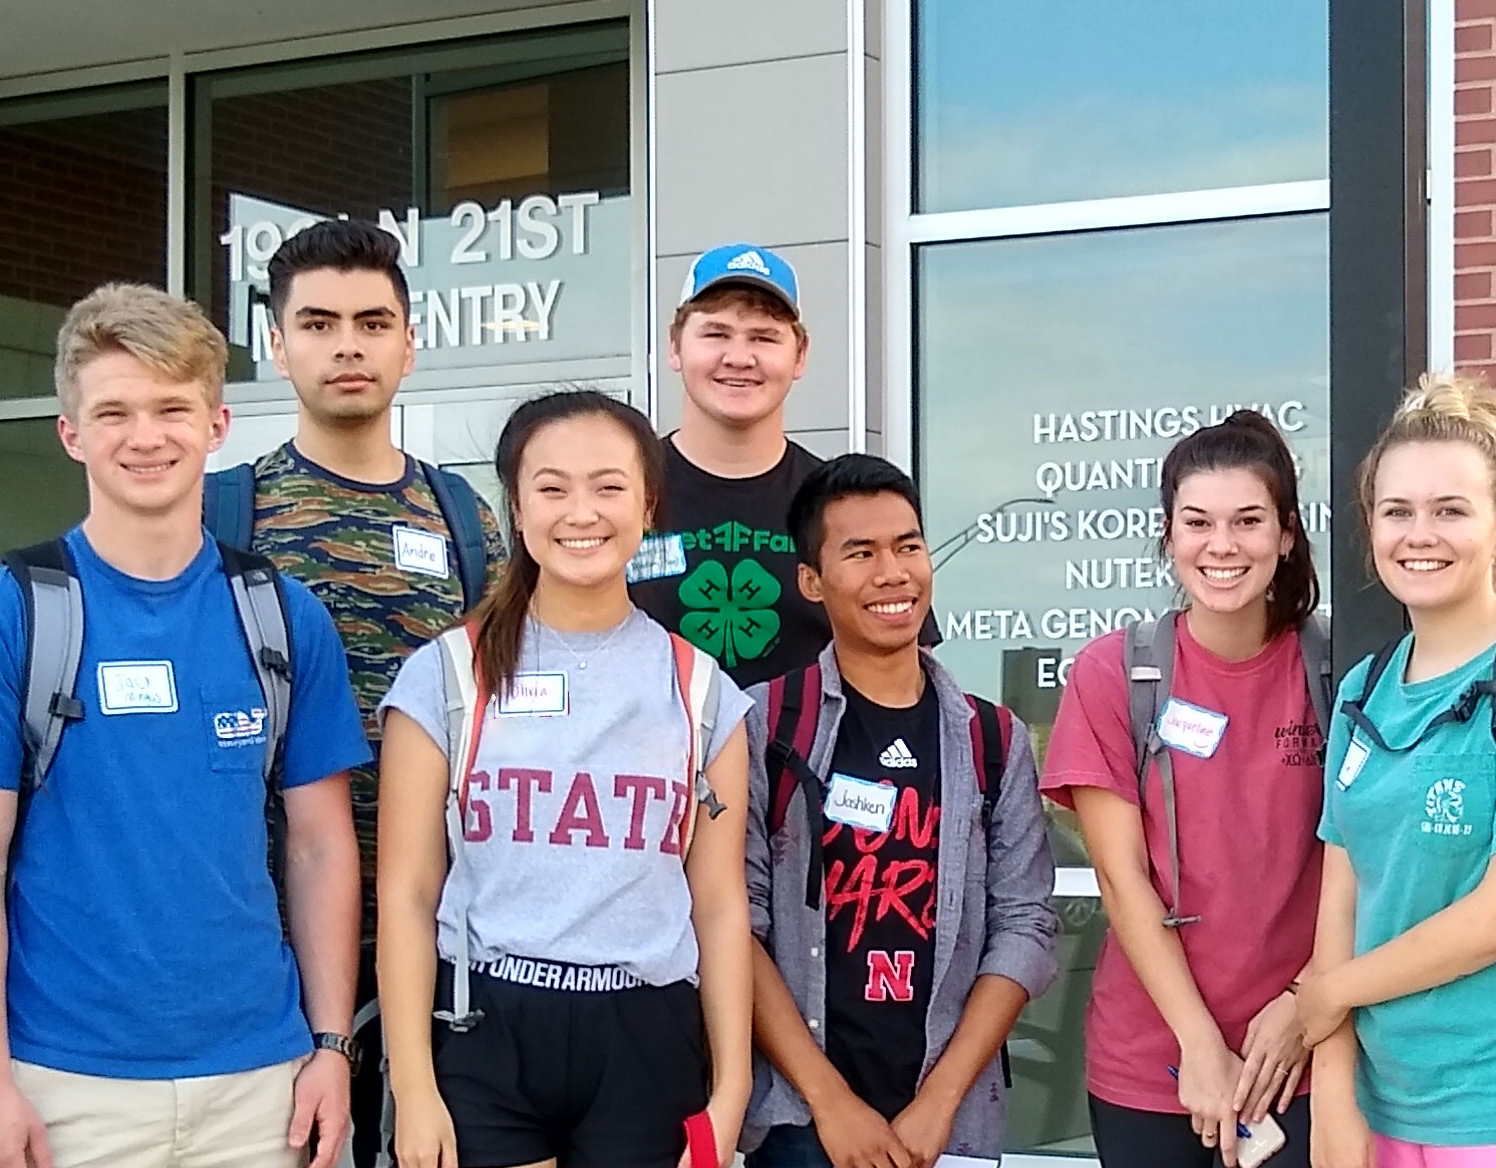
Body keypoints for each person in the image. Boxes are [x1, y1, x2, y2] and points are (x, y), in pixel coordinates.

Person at [0, 285, 370, 1168]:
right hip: (65, 1084)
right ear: (71, 433)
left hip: (261, 1083)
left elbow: (319, 848)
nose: (145, 436)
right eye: (113, 412)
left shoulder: (283, 617)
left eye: (171, 409)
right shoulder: (6, 614)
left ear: (217, 425)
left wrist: (331, 1047)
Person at [374, 390, 757, 1168]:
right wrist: (413, 1088)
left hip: (645, 1034)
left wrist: (732, 1092)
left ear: (648, 506)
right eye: (552, 488)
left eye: (608, 486)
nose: (581, 511)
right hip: (485, 1029)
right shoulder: (446, 675)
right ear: (515, 509)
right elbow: (408, 895)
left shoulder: (702, 690)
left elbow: (719, 907)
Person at [1254, 373, 1496, 1168]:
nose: (1420, 533)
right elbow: (1345, 896)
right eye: (1398, 512)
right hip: (1386, 1097)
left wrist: (1329, 995)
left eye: (1451, 510)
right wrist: (1337, 1087)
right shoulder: (1364, 687)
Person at [208, 217, 508, 1168]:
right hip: (265, 928)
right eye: (320, 322)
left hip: (439, 926)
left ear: (410, 343)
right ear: (278, 344)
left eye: (374, 322)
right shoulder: (223, 511)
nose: (348, 345)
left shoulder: (465, 521)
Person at [739, 454, 1061, 1168]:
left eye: (908, 546)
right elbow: (738, 925)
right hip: (802, 1124)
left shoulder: (990, 737)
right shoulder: (765, 726)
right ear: (813, 581)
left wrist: (939, 1104)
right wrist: (830, 1102)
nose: (893, 573)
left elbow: (1025, 924)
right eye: (861, 553)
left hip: (950, 1124)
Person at [1039, 411, 1337, 1168]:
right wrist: (1200, 1045)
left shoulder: (1339, 672)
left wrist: (1306, 1000)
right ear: (1168, 536)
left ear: (1287, 534)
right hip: (1153, 1057)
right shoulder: (1115, 674)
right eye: (1197, 522)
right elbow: (1120, 876)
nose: (1222, 546)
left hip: (1300, 1050)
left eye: (1248, 521)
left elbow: (1366, 859)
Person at [629, 243, 837, 688]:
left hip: (802, 757)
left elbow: (902, 664)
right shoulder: (617, 494)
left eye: (764, 337)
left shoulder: (841, 502)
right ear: (674, 347)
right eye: (716, 333)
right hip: (650, 758)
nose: (739, 357)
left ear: (800, 355)